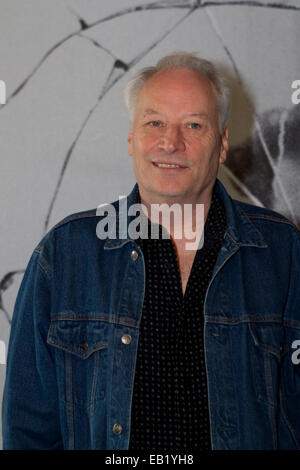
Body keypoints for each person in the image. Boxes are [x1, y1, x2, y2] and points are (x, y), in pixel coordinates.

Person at [2, 52, 300, 451]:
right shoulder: (65, 255)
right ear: (132, 139)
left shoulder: (282, 251)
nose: (171, 142)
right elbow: (28, 431)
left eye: (193, 125)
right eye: (154, 122)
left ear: (223, 142)